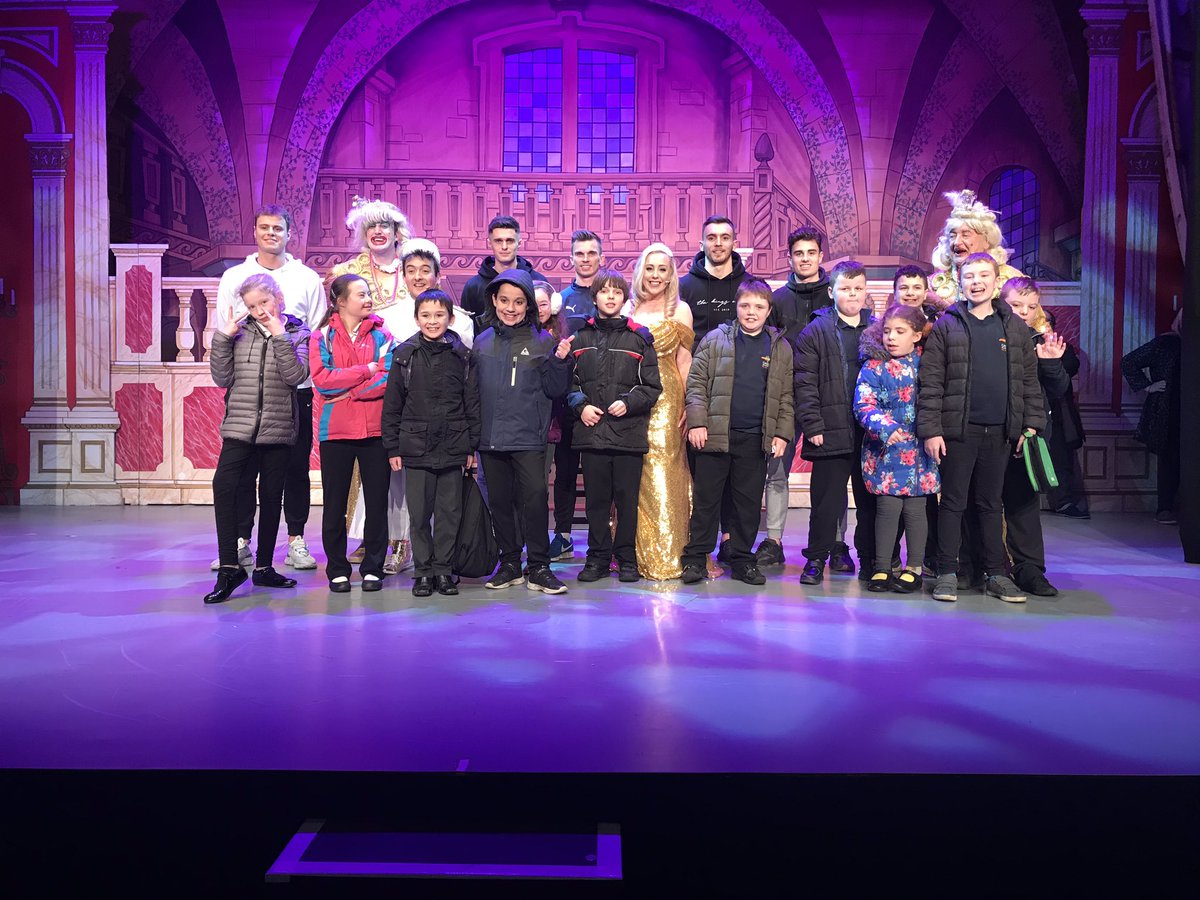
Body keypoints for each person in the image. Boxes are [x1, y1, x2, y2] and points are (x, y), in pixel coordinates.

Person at [917, 253, 1045, 603]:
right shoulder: (947, 324)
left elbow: (1029, 381)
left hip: (1001, 432)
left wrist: (1030, 424)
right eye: (970, 275)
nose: (976, 281)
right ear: (961, 281)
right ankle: (946, 571)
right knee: (953, 504)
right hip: (958, 432)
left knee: (991, 504)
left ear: (995, 280)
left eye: (983, 275)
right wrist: (931, 429)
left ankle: (996, 574)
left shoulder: (1014, 326)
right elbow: (930, 382)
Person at [212, 205, 324, 573]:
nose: (271, 233)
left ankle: (295, 540)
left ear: (289, 233)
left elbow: (316, 324)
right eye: (264, 227)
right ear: (255, 232)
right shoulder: (235, 276)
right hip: (248, 389)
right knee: (241, 473)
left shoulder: (306, 277)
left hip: (294, 392)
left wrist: (284, 340)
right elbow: (226, 331)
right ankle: (241, 541)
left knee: (292, 470)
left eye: (278, 227)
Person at [204, 274, 311, 604]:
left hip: (278, 428)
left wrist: (279, 335)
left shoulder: (298, 331)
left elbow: (296, 375)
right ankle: (229, 568)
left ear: (277, 296)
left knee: (271, 494)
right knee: (224, 486)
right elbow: (222, 377)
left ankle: (264, 567)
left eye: (263, 302)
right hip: (240, 425)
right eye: (252, 306)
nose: (259, 310)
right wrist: (223, 337)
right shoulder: (240, 333)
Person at [680, 280, 793, 585]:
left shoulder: (779, 347)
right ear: (736, 307)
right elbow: (696, 386)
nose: (751, 312)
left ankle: (742, 558)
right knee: (706, 502)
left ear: (769, 310)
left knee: (747, 503)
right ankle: (695, 558)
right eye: (745, 305)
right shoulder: (716, 340)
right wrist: (698, 422)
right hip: (714, 436)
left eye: (758, 307)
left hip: (754, 438)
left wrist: (781, 433)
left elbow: (785, 396)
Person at [328, 199, 416, 575]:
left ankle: (400, 541)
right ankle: (363, 537)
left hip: (394, 374)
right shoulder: (347, 272)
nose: (379, 232)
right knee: (354, 478)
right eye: (371, 227)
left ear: (398, 232)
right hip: (354, 381)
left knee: (390, 471)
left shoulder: (413, 265)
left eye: (385, 226)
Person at [473, 270, 574, 594]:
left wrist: (560, 362)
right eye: (504, 301)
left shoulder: (544, 341)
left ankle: (540, 567)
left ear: (528, 304)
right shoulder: (482, 341)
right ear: (494, 300)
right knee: (500, 503)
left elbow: (556, 390)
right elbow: (472, 393)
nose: (511, 308)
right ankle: (511, 563)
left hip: (529, 437)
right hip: (490, 438)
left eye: (518, 302)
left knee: (533, 500)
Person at [382, 290, 480, 597]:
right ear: (416, 318)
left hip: (453, 445)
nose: (432, 321)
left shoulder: (463, 356)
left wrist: (470, 447)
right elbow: (393, 404)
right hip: (415, 446)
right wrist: (393, 447)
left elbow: (472, 404)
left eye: (439, 315)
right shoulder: (405, 354)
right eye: (425, 315)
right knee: (420, 513)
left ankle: (443, 571)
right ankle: (423, 572)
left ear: (451, 318)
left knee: (449, 513)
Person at [568, 269, 662, 583]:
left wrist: (630, 402)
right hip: (592, 435)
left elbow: (652, 387)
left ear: (624, 298)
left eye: (616, 291)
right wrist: (580, 405)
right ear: (594, 297)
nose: (610, 296)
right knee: (596, 502)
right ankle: (596, 558)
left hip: (627, 435)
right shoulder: (580, 337)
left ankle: (626, 559)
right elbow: (569, 383)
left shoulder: (639, 337)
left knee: (626, 502)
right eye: (604, 291)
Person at [793, 260, 877, 585]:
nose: (852, 294)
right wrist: (812, 425)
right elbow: (805, 382)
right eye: (844, 288)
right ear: (831, 291)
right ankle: (816, 558)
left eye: (857, 289)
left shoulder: (877, 329)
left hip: (870, 433)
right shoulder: (816, 330)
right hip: (829, 429)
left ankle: (869, 560)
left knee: (868, 501)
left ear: (865, 291)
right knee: (826, 502)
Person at [310, 274, 395, 593]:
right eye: (361, 294)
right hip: (336, 430)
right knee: (334, 504)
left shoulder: (383, 334)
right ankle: (337, 568)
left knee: (376, 502)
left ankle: (373, 566)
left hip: (375, 429)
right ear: (341, 301)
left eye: (369, 292)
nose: (368, 297)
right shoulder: (322, 336)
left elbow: (389, 376)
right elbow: (321, 380)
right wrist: (365, 371)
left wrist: (353, 393)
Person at [854, 304, 939, 593]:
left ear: (916, 335)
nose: (891, 337)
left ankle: (914, 567)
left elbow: (938, 399)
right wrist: (886, 428)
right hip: (885, 451)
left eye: (900, 332)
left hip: (919, 450)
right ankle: (882, 567)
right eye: (887, 331)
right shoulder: (873, 366)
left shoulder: (928, 363)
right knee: (887, 509)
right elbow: (864, 404)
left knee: (916, 510)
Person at [756, 226, 827, 568]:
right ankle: (773, 540)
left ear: (820, 256)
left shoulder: (836, 295)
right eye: (799, 253)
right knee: (776, 470)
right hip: (785, 397)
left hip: (826, 398)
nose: (805, 259)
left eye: (810, 252)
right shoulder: (779, 299)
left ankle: (836, 545)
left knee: (830, 476)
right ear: (790, 258)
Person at [626, 243, 695, 581]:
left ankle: (670, 553)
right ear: (641, 271)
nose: (655, 275)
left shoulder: (680, 310)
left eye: (662, 269)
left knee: (665, 470)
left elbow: (684, 362)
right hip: (631, 401)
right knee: (634, 474)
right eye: (650, 268)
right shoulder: (627, 308)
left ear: (671, 275)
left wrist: (691, 406)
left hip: (669, 401)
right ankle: (633, 553)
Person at [1000, 277, 1071, 596]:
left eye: (1031, 307)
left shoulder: (1041, 341)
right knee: (982, 504)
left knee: (1024, 505)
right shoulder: (985, 335)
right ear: (1002, 302)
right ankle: (986, 567)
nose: (1024, 313)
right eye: (1016, 305)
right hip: (988, 433)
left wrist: (1052, 364)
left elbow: (1058, 391)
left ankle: (1029, 569)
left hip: (1027, 436)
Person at [1121, 309, 1182, 525]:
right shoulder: (1166, 343)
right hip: (1169, 410)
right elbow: (1128, 362)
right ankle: (1165, 508)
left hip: (1188, 409)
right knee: (1170, 459)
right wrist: (1148, 386)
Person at [928, 189, 1024, 305]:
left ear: (986, 240)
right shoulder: (932, 284)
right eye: (952, 236)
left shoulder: (1013, 280)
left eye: (966, 235)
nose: (957, 242)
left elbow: (1036, 321)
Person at [459, 215, 548, 327]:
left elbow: (548, 325)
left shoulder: (537, 280)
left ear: (519, 243)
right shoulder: (473, 286)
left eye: (509, 241)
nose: (504, 247)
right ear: (490, 243)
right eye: (498, 241)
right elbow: (467, 330)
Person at [559, 230, 605, 328]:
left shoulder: (613, 297)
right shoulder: (560, 300)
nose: (585, 259)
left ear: (601, 259)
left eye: (591, 253)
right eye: (579, 254)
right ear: (571, 260)